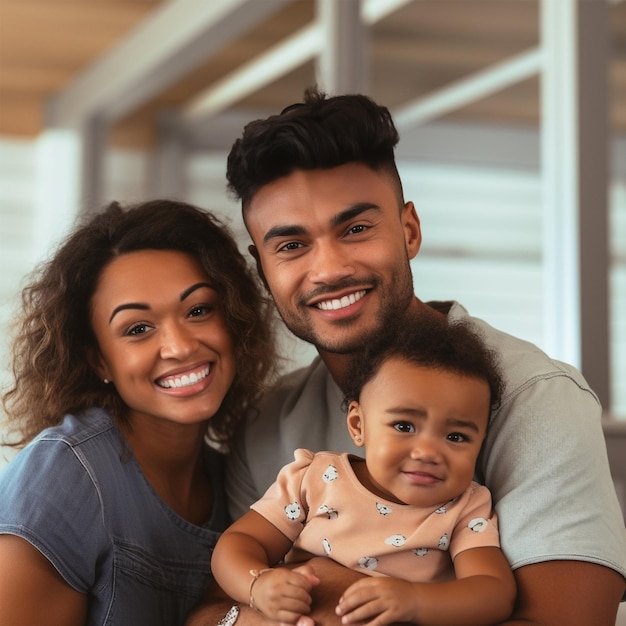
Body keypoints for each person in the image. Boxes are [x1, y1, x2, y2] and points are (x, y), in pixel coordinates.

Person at [188, 88, 626, 626]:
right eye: (292, 245)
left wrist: (330, 591)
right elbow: (212, 610)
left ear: (409, 230)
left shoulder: (536, 399)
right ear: (263, 269)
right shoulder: (267, 423)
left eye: (355, 228)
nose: (328, 269)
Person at [0, 199, 276, 626]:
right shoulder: (65, 474)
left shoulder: (236, 479)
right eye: (138, 329)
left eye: (199, 310)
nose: (181, 346)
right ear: (99, 362)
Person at [212, 319, 516, 626]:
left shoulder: (464, 508)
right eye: (404, 426)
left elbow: (494, 593)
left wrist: (415, 600)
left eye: (456, 437)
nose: (428, 453)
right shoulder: (316, 479)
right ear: (358, 425)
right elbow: (238, 543)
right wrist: (257, 585)